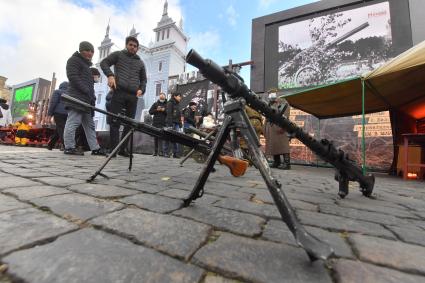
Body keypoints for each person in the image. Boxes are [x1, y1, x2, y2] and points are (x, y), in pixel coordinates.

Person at [100, 36, 147, 157]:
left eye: (135, 46)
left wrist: (142, 90)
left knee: (130, 123)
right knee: (114, 121)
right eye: (131, 45)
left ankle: (123, 148)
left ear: (137, 49)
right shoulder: (118, 55)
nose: (133, 47)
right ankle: (114, 149)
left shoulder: (140, 62)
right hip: (119, 92)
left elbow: (144, 80)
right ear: (126, 45)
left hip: (133, 96)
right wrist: (110, 75)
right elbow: (104, 63)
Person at [62, 41, 106, 156]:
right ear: (81, 50)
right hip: (77, 98)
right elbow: (73, 77)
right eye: (87, 50)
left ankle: (95, 148)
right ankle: (69, 147)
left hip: (86, 101)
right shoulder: (74, 60)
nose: (90, 53)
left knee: (90, 125)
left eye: (92, 51)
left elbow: (89, 84)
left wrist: (91, 97)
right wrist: (85, 90)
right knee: (73, 122)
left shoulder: (87, 66)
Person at [264, 92, 291, 169]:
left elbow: (285, 112)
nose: (270, 95)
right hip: (271, 126)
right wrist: (265, 128)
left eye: (272, 92)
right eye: (269, 93)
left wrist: (283, 126)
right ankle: (277, 162)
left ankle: (287, 163)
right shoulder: (268, 104)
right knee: (273, 145)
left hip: (279, 125)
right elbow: (266, 117)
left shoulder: (282, 101)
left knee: (283, 144)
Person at [46, 82, 69, 150]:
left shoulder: (57, 92)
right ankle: (50, 145)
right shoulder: (71, 93)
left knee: (61, 129)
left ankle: (66, 145)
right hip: (68, 113)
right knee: (59, 129)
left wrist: (49, 114)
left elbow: (53, 103)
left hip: (58, 113)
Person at [164, 92, 182, 158]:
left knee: (176, 139)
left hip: (176, 123)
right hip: (170, 123)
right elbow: (169, 114)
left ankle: (175, 153)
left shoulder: (178, 104)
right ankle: (166, 153)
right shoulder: (170, 103)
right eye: (179, 96)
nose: (180, 98)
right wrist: (170, 124)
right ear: (175, 96)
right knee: (167, 138)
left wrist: (180, 124)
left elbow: (179, 115)